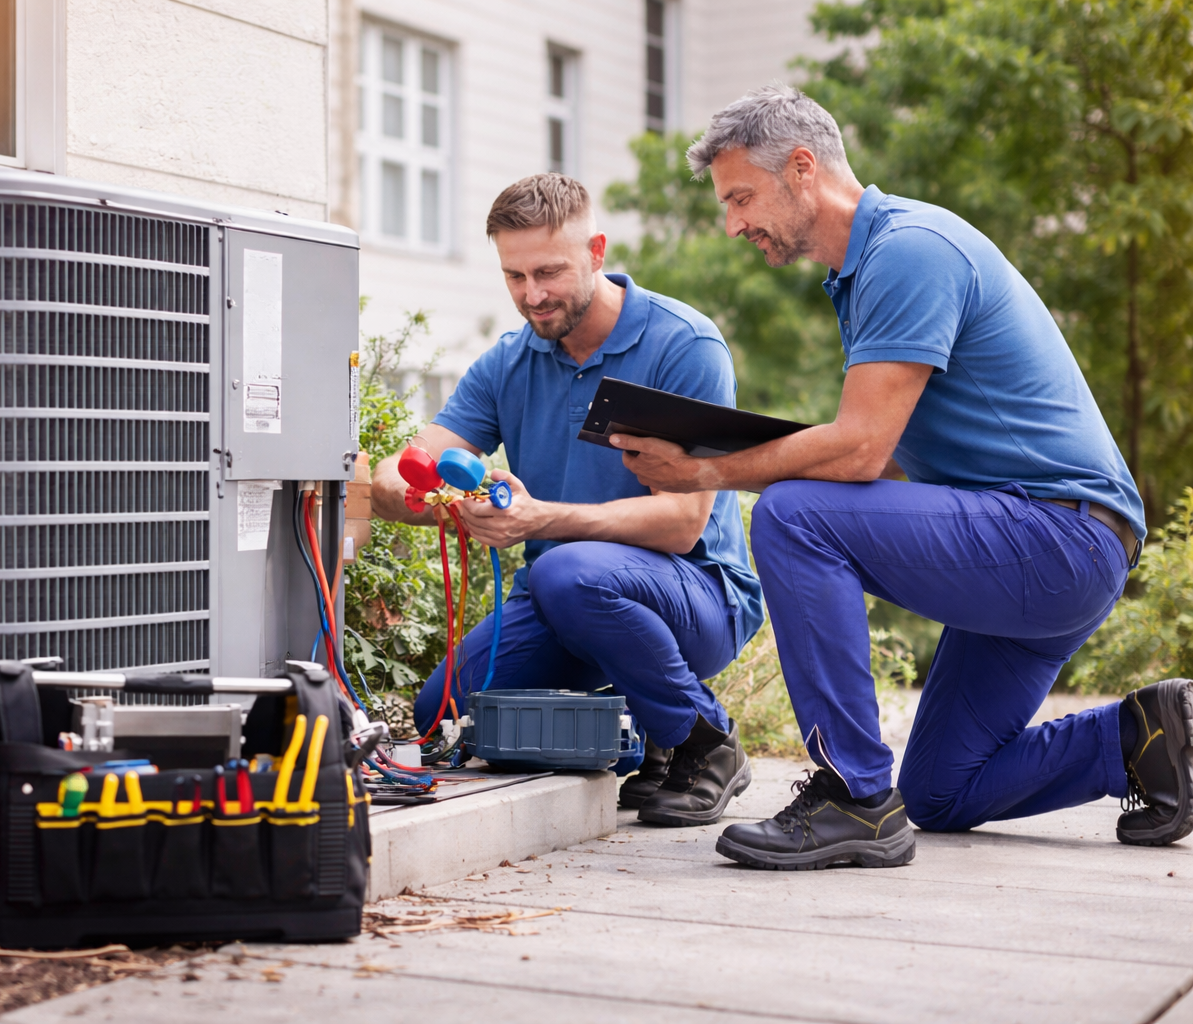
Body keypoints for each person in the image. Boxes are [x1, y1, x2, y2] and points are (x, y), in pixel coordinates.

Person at [617, 85, 1187, 870]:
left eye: (742, 196)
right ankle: (1147, 737)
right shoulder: (867, 270)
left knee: (792, 515)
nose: (734, 223)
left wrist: (706, 471)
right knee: (944, 790)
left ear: (804, 168)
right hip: (1052, 548)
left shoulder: (908, 249)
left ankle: (852, 795)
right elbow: (880, 458)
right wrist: (725, 452)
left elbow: (854, 456)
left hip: (1057, 537)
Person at [370, 173, 764, 826]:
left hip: (697, 594)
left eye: (549, 272)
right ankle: (642, 730)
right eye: (515, 277)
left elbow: (682, 524)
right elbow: (404, 467)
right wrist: (433, 500)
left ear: (597, 251)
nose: (533, 295)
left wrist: (541, 520)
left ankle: (704, 740)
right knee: (439, 709)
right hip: (567, 599)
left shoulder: (681, 346)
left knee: (564, 568)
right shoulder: (509, 362)